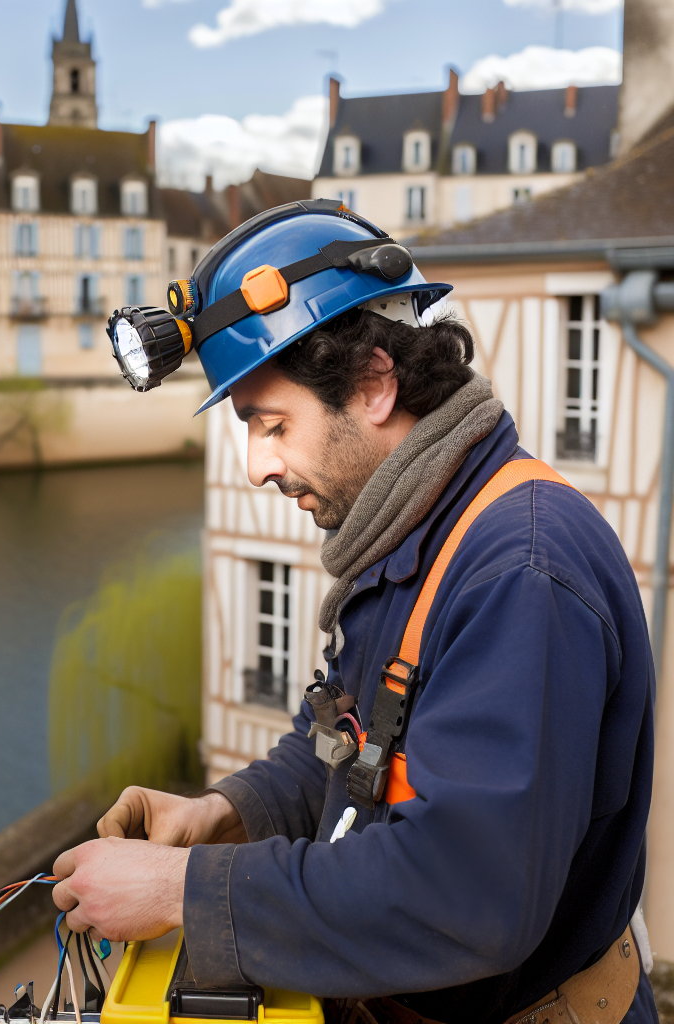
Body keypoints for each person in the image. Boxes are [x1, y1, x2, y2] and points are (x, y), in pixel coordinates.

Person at [51, 201, 658, 1024]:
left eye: (274, 425)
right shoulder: (418, 530)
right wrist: (227, 813)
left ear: (374, 382)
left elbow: (468, 894)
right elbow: (354, 753)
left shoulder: (518, 572)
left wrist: (180, 890)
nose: (260, 466)